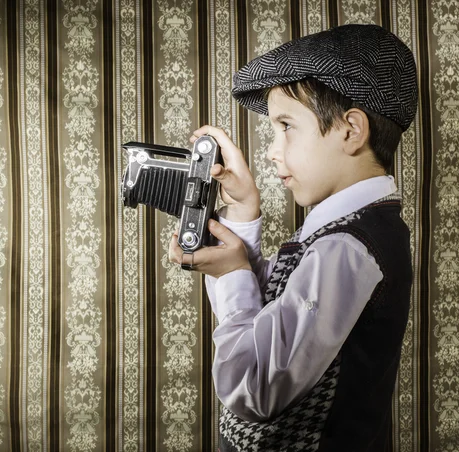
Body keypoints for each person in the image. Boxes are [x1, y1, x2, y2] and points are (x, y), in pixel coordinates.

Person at [168, 24, 417, 451]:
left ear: (351, 130)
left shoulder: (347, 247)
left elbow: (255, 387)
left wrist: (232, 277)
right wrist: (244, 211)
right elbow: (277, 319)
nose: (272, 149)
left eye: (286, 126)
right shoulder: (340, 228)